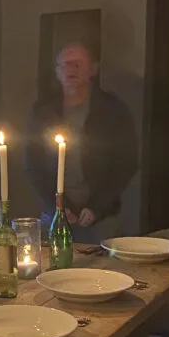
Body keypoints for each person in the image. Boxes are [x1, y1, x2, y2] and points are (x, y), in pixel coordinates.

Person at [23, 42, 138, 242]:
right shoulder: (43, 111)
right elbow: (33, 164)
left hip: (102, 217)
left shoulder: (112, 110)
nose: (71, 70)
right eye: (65, 65)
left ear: (93, 69)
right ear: (57, 72)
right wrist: (57, 205)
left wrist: (97, 206)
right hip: (55, 213)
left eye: (78, 64)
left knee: (103, 271)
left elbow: (126, 163)